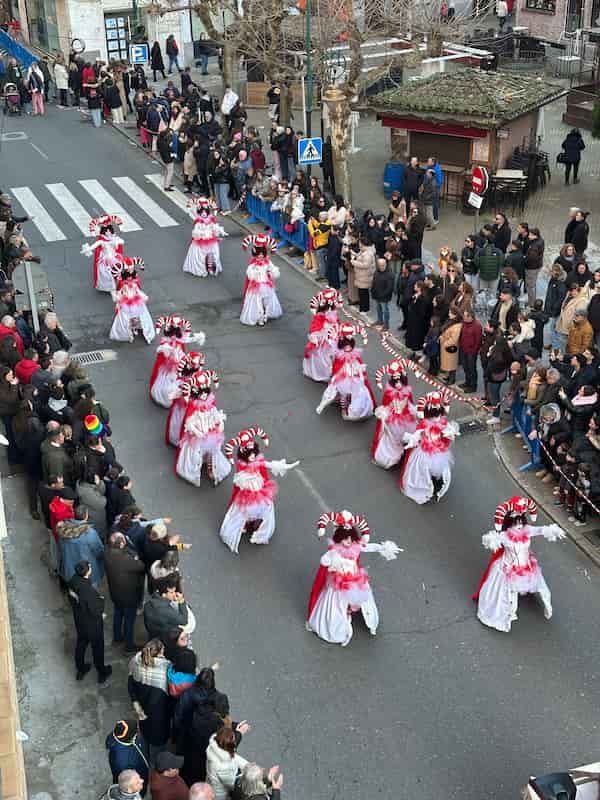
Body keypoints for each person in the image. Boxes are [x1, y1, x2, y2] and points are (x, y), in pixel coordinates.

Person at [306, 510, 401, 646]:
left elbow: (368, 547)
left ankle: (364, 617)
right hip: (338, 585)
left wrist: (383, 547)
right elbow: (324, 561)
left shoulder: (355, 547)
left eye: (350, 538)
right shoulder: (334, 552)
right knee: (338, 606)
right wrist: (333, 563)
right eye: (345, 538)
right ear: (339, 538)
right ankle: (337, 628)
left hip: (355, 580)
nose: (348, 541)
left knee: (360, 599)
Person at [473, 496, 565, 632]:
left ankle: (547, 607)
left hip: (526, 567)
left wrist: (551, 530)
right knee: (509, 594)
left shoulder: (527, 530)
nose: (519, 525)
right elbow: (494, 538)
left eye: (521, 521)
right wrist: (491, 540)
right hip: (508, 569)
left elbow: (540, 530)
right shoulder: (505, 536)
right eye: (515, 523)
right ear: (509, 522)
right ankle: (509, 614)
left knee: (541, 587)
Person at [219, 427, 298, 553]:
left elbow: (267, 464)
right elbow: (239, 477)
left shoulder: (257, 460)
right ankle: (244, 524)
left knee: (265, 508)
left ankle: (258, 527)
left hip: (260, 489)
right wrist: (231, 460)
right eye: (249, 454)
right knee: (243, 511)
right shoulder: (241, 465)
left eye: (253, 453)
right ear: (244, 454)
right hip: (249, 491)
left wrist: (283, 466)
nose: (252, 456)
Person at [400, 391, 459, 504]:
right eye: (434, 415)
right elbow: (417, 435)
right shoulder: (423, 424)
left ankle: (436, 488)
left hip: (439, 452)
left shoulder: (443, 423)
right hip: (424, 453)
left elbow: (448, 432)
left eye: (438, 415)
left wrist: (450, 434)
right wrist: (412, 441)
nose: (436, 418)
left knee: (440, 473)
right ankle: (426, 489)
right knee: (423, 473)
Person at [175, 370, 230, 487]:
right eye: (202, 393)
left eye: (206, 393)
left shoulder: (210, 403)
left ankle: (212, 468)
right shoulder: (194, 407)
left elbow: (216, 414)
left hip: (211, 433)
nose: (204, 396)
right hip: (198, 437)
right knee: (195, 453)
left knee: (213, 452)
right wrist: (196, 431)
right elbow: (189, 422)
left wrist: (220, 423)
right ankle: (194, 471)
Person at [316, 322, 375, 421]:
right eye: (346, 346)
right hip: (343, 378)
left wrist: (359, 370)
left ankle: (354, 406)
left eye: (349, 346)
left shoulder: (354, 354)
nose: (348, 348)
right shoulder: (340, 355)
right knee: (342, 393)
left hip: (353, 377)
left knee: (356, 392)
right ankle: (343, 408)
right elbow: (337, 366)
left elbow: (357, 364)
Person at [67, 560, 112, 684]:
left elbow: (74, 599)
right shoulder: (87, 590)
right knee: (97, 647)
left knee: (81, 643)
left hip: (79, 620)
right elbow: (95, 608)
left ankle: (81, 668)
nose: (91, 568)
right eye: (90, 567)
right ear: (87, 572)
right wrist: (101, 602)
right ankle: (102, 671)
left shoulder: (73, 581)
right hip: (92, 624)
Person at [128, 639, 173, 760]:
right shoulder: (165, 669)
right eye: (163, 650)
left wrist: (136, 703)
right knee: (157, 746)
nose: (164, 652)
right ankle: (154, 765)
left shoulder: (135, 661)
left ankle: (146, 757)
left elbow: (130, 684)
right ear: (158, 653)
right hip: (158, 716)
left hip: (142, 711)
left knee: (145, 735)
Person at [150, 315, 205, 408]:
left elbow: (187, 339)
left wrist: (197, 338)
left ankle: (180, 395)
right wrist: (167, 349)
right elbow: (161, 350)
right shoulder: (166, 342)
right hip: (170, 365)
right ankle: (167, 398)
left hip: (179, 361)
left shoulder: (180, 339)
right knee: (169, 381)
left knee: (182, 378)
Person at [372, 359, 416, 469]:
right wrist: (385, 413)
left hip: (405, 417)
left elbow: (410, 402)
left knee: (407, 433)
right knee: (393, 438)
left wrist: (412, 411)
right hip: (394, 418)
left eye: (400, 382)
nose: (398, 385)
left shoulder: (407, 390)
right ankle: (394, 455)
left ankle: (405, 449)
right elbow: (386, 404)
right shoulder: (389, 392)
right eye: (396, 382)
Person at [105, 532, 145, 653]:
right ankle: (129, 645)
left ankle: (117, 637)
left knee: (118, 614)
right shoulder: (127, 559)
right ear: (122, 544)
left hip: (115, 593)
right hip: (129, 596)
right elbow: (141, 566)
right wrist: (135, 557)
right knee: (129, 620)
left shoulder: (107, 552)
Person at [109, 257, 156, 345]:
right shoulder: (123, 284)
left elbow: (138, 291)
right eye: (128, 276)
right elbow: (120, 292)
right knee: (127, 319)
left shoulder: (134, 284)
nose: (130, 279)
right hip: (126, 303)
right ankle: (129, 332)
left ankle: (139, 330)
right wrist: (118, 298)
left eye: (131, 275)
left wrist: (142, 296)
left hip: (135, 301)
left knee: (138, 317)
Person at [57, 504, 105, 587]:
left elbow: (61, 547)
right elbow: (98, 550)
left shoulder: (64, 529)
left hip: (70, 568)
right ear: (86, 516)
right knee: (90, 587)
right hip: (86, 568)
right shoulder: (89, 533)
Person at [240, 234, 282, 327]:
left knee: (268, 301)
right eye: (258, 254)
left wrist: (271, 271)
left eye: (262, 254)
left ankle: (266, 314)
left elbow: (273, 270)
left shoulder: (267, 262)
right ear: (255, 253)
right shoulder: (253, 264)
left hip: (266, 285)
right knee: (257, 302)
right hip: (257, 286)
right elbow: (250, 273)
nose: (260, 256)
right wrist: (254, 273)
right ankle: (260, 317)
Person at [302, 287, 342, 383]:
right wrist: (315, 337)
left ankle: (332, 373)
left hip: (333, 338)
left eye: (330, 307)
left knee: (334, 357)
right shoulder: (320, 316)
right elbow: (315, 327)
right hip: (323, 340)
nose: (329, 310)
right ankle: (324, 374)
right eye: (327, 307)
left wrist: (340, 332)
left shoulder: (334, 314)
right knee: (323, 358)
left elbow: (337, 324)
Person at [182, 197, 227, 277]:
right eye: (202, 212)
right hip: (201, 240)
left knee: (213, 254)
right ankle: (202, 269)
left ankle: (211, 267)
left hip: (211, 239)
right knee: (200, 255)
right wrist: (200, 233)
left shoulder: (211, 219)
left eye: (205, 212)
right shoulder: (198, 221)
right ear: (199, 212)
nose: (204, 213)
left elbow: (214, 227)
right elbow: (195, 231)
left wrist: (219, 231)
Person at [81, 214, 124, 293]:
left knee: (117, 271)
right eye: (106, 231)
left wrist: (115, 242)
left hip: (115, 257)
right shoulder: (101, 241)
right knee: (105, 274)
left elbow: (121, 242)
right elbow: (94, 246)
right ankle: (109, 287)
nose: (108, 232)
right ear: (103, 232)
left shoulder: (115, 238)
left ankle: (117, 285)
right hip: (105, 259)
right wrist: (87, 249)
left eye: (109, 230)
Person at [106, 720, 150, 794]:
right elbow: (125, 781)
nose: (138, 729)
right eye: (136, 730)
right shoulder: (121, 761)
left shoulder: (126, 737)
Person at [143, 575, 189, 640]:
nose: (174, 594)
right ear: (164, 595)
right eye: (171, 592)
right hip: (163, 637)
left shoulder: (149, 603)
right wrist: (181, 601)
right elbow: (184, 620)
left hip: (152, 633)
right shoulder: (166, 610)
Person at [458, 309, 482, 393]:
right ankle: (467, 382)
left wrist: (474, 350)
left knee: (472, 368)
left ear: (470, 317)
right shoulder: (464, 323)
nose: (463, 317)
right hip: (463, 349)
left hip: (471, 352)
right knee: (465, 367)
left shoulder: (477, 326)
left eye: (465, 316)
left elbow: (478, 340)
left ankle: (473, 386)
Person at [350, 238, 376, 314]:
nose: (359, 244)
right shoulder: (364, 250)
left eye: (360, 243)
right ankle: (363, 308)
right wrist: (353, 253)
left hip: (365, 276)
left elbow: (365, 265)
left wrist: (353, 262)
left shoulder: (368, 253)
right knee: (362, 293)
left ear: (363, 244)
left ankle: (365, 309)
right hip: (362, 276)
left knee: (364, 294)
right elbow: (359, 255)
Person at [439, 308, 463, 385]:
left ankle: (452, 379)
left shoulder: (457, 326)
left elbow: (454, 339)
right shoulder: (451, 321)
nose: (449, 314)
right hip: (446, 346)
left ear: (455, 315)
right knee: (449, 363)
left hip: (450, 347)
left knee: (452, 364)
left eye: (450, 313)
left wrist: (445, 343)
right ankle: (449, 377)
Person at [525, 227, 545, 307]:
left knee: (530, 286)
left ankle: (531, 303)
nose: (529, 236)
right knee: (532, 285)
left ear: (535, 236)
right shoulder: (540, 240)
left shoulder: (534, 246)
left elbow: (531, 258)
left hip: (531, 268)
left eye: (530, 235)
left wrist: (524, 260)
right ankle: (532, 300)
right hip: (537, 265)